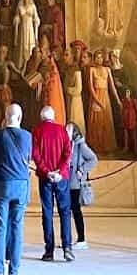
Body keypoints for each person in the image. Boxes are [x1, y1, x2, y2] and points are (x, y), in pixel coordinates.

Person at [0, 102, 32, 275]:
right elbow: (28, 159)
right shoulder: (27, 136)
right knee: (17, 228)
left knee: (0, 228)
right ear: (20, 117)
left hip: (3, 183)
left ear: (5, 117)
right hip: (21, 185)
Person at [31, 105, 74, 262]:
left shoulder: (36, 132)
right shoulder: (62, 130)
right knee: (65, 212)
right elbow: (67, 153)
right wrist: (60, 171)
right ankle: (67, 247)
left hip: (45, 178)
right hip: (61, 178)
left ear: (41, 117)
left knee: (47, 213)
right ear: (53, 117)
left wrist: (47, 171)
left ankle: (49, 251)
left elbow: (35, 155)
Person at [67, 122, 97, 250]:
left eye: (68, 129)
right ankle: (67, 239)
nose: (66, 131)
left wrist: (82, 169)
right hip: (66, 182)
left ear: (75, 132)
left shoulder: (81, 145)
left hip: (76, 184)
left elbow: (93, 159)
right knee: (66, 211)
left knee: (76, 211)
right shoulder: (67, 144)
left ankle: (81, 239)